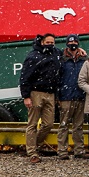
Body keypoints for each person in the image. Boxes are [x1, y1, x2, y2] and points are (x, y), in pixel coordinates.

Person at [20, 34, 61, 163]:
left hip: (51, 93)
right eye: (48, 42)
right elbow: (25, 77)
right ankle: (32, 153)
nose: (50, 44)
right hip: (36, 92)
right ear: (42, 42)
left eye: (52, 42)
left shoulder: (57, 54)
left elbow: (67, 55)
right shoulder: (33, 56)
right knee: (32, 123)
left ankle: (33, 144)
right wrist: (26, 96)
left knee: (48, 124)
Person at [56, 34, 88, 159]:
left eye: (75, 42)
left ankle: (79, 150)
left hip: (80, 96)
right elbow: (57, 78)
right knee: (64, 125)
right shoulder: (61, 60)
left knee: (78, 126)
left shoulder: (84, 59)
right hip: (65, 97)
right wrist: (58, 96)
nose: (73, 44)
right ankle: (62, 151)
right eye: (70, 42)